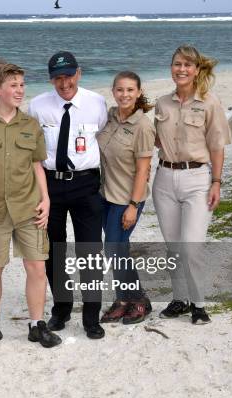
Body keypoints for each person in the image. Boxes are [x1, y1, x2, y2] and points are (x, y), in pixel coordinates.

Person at [0, 60, 61, 349]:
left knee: (37, 267)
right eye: (13, 85)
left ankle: (36, 325)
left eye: (21, 85)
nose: (20, 90)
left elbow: (37, 165)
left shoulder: (30, 125)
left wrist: (46, 199)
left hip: (28, 208)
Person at [28, 51, 108, 339]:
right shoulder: (37, 106)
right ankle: (61, 310)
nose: (64, 83)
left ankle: (91, 317)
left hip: (86, 184)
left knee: (90, 251)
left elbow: (103, 137)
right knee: (54, 252)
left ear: (79, 73)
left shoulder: (97, 103)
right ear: (51, 79)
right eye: (58, 78)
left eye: (69, 76)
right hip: (50, 186)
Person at [153, 45, 231, 325]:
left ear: (197, 70)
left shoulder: (210, 102)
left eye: (187, 65)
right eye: (177, 64)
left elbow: (218, 146)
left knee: (191, 246)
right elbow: (155, 140)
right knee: (173, 247)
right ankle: (179, 300)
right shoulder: (162, 103)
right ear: (171, 68)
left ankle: (199, 304)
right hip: (163, 179)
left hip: (198, 179)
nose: (181, 69)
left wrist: (217, 183)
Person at [96, 71, 154, 325]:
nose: (125, 95)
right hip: (105, 195)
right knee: (117, 250)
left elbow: (143, 169)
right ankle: (123, 301)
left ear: (139, 92)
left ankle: (139, 300)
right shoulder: (110, 117)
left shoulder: (142, 126)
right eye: (120, 90)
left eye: (130, 90)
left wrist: (133, 205)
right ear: (113, 91)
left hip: (127, 198)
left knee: (114, 249)